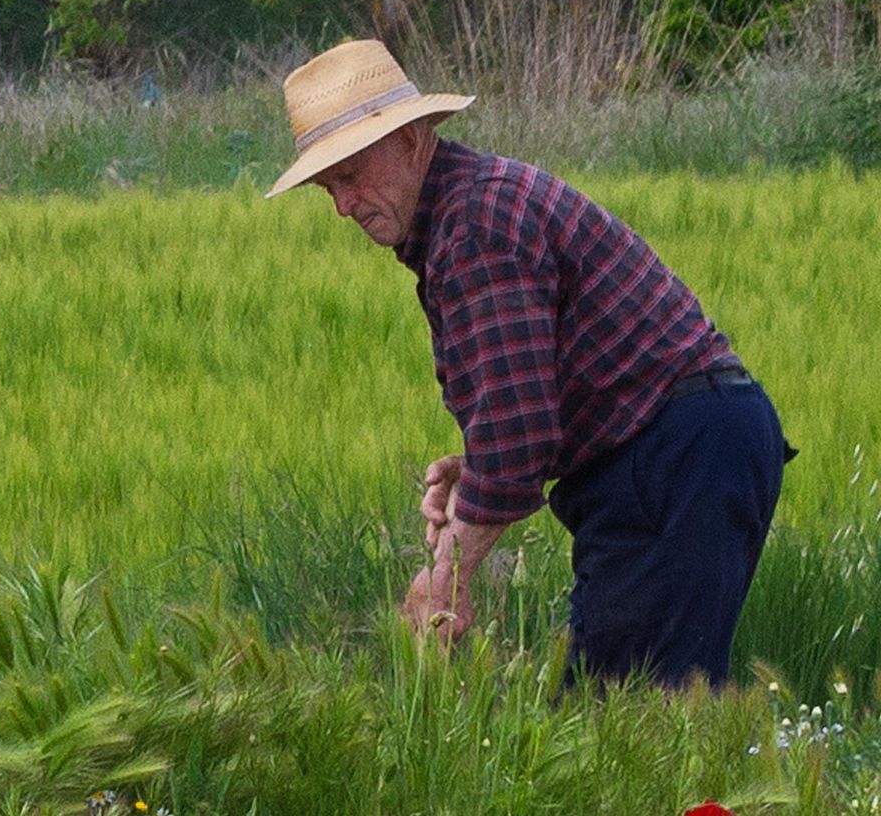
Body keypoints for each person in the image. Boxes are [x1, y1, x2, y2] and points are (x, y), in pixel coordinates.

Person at [266, 39, 793, 689]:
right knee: (639, 721)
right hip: (687, 448)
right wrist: (477, 470)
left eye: (350, 175)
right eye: (327, 187)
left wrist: (444, 579)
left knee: (628, 722)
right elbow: (531, 410)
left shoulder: (476, 225)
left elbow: (518, 436)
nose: (342, 205)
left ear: (410, 139)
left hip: (675, 458)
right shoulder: (467, 213)